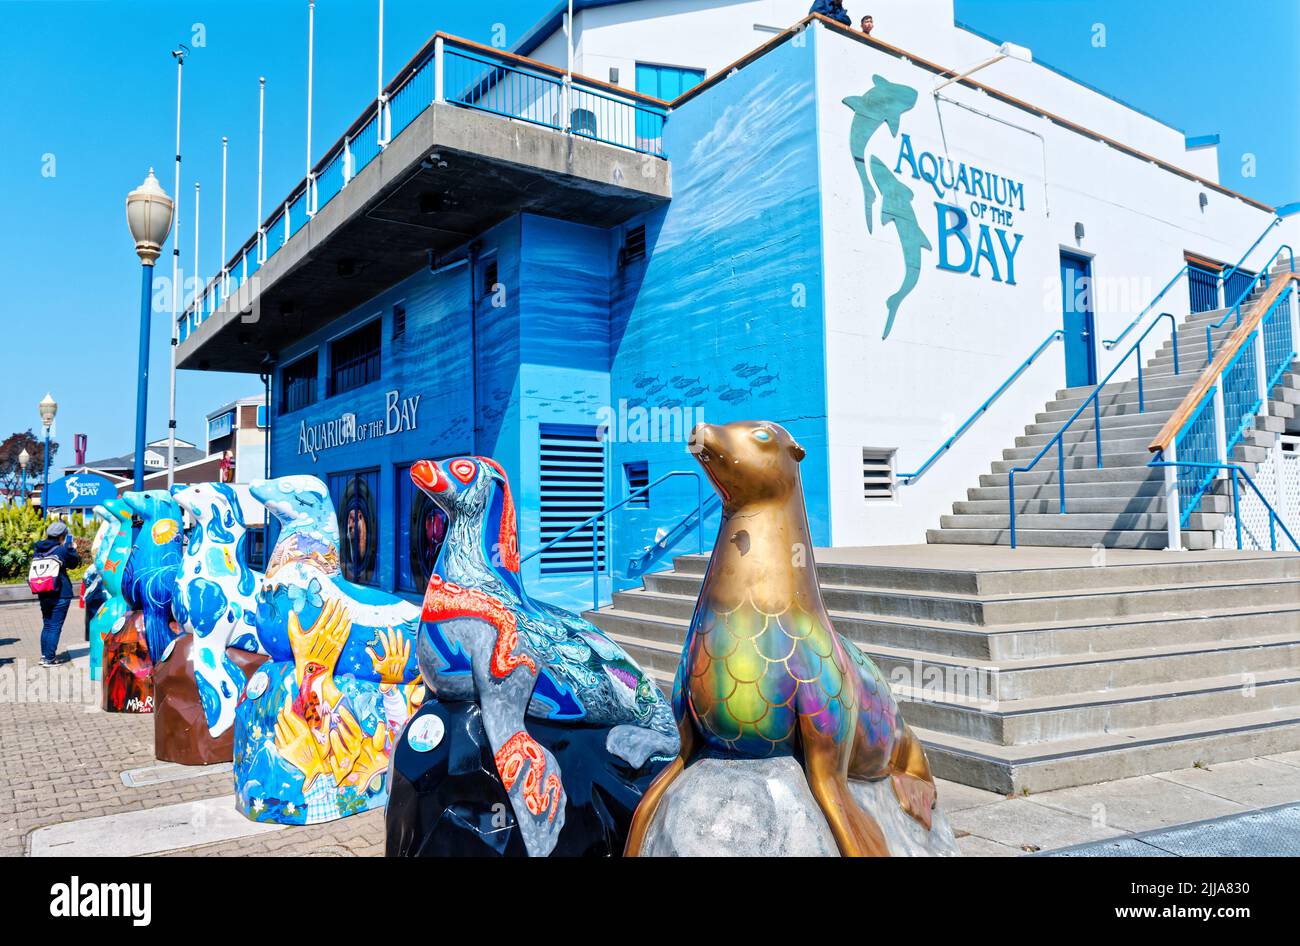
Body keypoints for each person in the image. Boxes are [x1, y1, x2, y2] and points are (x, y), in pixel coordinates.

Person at [33, 520, 81, 666]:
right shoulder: (61, 550)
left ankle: (44, 655)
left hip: (44, 591)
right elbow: (73, 564)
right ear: (62, 535)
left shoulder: (38, 548)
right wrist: (72, 548)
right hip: (61, 592)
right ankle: (49, 659)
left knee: (47, 624)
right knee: (55, 626)